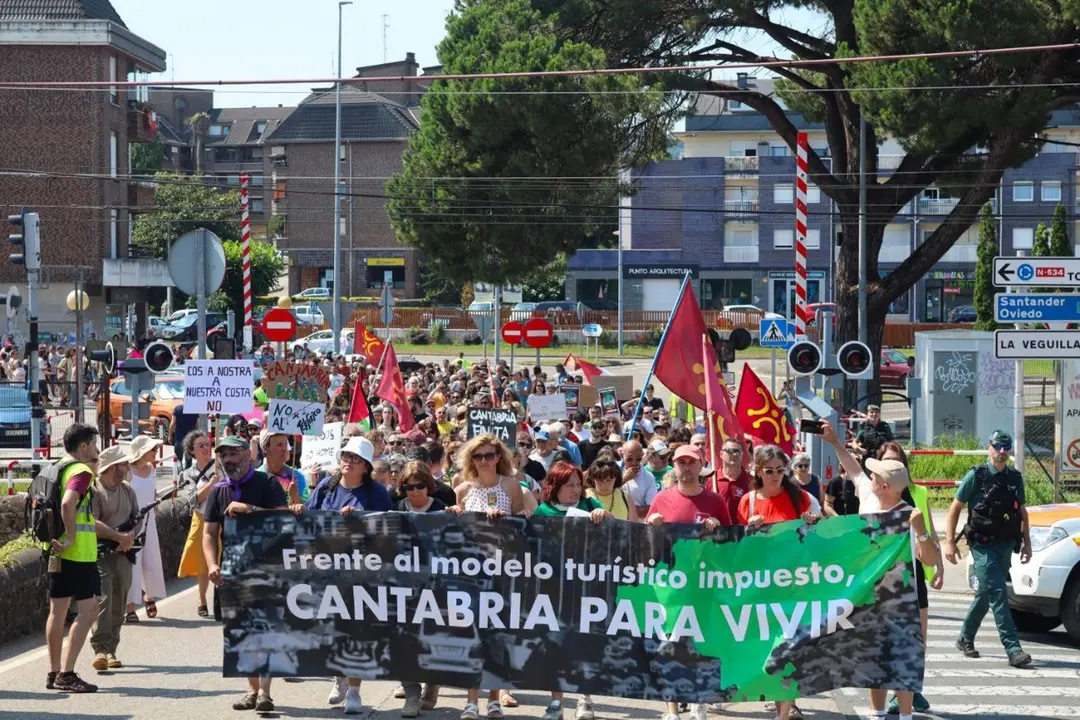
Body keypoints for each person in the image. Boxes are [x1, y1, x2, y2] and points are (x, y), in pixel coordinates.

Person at [300, 436, 387, 714]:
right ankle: (338, 677)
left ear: (365, 467)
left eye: (355, 459)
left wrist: (361, 519)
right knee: (332, 628)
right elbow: (311, 517)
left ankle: (355, 690)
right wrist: (298, 506)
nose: (348, 462)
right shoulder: (327, 486)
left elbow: (390, 526)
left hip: (362, 571)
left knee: (356, 629)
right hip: (327, 568)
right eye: (346, 456)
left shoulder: (376, 492)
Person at [203, 435, 289, 713]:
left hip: (267, 567)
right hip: (232, 569)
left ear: (247, 456)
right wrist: (212, 564)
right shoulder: (218, 491)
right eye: (224, 455)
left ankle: (265, 692)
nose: (228, 460)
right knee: (241, 632)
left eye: (234, 454)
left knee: (265, 629)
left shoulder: (267, 483)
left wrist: (249, 509)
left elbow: (282, 521)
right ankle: (251, 691)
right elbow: (208, 533)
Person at [644, 445, 729, 720]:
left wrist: (719, 532)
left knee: (702, 645)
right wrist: (652, 527)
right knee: (671, 644)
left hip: (704, 584)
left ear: (701, 464)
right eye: (681, 463)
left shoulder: (716, 501)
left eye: (691, 462)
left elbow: (731, 545)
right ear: (674, 466)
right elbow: (646, 546)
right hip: (671, 586)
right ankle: (671, 708)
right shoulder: (661, 499)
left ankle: (699, 702)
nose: (686, 468)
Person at [737, 445, 819, 720]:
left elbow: (820, 539)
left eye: (780, 471)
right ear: (758, 472)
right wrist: (750, 529)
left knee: (790, 647)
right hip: (761, 587)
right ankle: (779, 701)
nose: (775, 476)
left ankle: (786, 709)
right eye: (769, 471)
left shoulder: (803, 499)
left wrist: (813, 524)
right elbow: (738, 550)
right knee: (768, 649)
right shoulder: (747, 501)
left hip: (794, 585)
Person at [857, 454, 939, 720]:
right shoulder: (870, 513)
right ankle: (876, 713)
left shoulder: (909, 515)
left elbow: (929, 558)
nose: (871, 477)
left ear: (885, 486)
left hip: (903, 599)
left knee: (903, 657)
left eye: (875, 475)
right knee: (875, 658)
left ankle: (906, 715)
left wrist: (921, 531)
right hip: (872, 596)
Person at [944, 429, 1033, 668]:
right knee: (998, 593)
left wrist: (1027, 543)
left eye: (1006, 448)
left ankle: (964, 638)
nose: (1002, 452)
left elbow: (1022, 511)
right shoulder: (977, 476)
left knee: (986, 594)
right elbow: (955, 507)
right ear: (989, 448)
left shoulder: (1015, 477)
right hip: (981, 546)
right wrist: (950, 542)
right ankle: (1013, 648)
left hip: (1005, 544)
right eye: (997, 447)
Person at [45, 423, 102, 693]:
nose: (95, 450)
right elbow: (69, 503)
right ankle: (66, 675)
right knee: (89, 611)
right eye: (92, 445)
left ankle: (54, 671)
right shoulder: (80, 470)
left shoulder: (56, 466)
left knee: (57, 611)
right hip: (77, 553)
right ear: (83, 447)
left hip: (56, 552)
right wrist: (71, 537)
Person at [89, 445, 138, 672]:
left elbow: (137, 518)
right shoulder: (94, 491)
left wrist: (129, 538)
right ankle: (100, 648)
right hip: (100, 555)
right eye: (122, 464)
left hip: (123, 555)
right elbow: (93, 523)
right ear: (111, 467)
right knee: (103, 601)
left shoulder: (127, 490)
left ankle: (111, 648)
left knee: (119, 601)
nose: (126, 467)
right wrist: (118, 537)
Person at [124, 435, 167, 622]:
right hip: (132, 523)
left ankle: (149, 595)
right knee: (132, 564)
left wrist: (155, 503)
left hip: (150, 522)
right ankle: (130, 608)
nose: (156, 452)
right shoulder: (127, 471)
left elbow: (153, 490)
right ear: (142, 452)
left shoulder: (151, 469)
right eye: (153, 449)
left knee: (150, 562)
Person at [176, 430, 218, 617]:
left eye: (207, 443)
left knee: (221, 560)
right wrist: (211, 485)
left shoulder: (220, 466)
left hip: (222, 518)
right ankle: (202, 600)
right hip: (201, 519)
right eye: (200, 445)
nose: (205, 448)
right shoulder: (187, 474)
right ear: (192, 451)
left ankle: (220, 601)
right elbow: (193, 500)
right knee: (203, 563)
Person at [706, 437, 751, 521]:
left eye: (737, 451)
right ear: (721, 454)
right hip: (718, 532)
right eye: (730, 451)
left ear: (742, 455)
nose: (734, 454)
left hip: (743, 532)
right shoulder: (711, 479)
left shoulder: (751, 481)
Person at [259, 431, 309, 504]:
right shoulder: (256, 476)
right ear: (265, 448)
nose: (284, 449)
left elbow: (305, 509)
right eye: (279, 445)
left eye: (286, 444)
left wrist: (296, 498)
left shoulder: (297, 476)